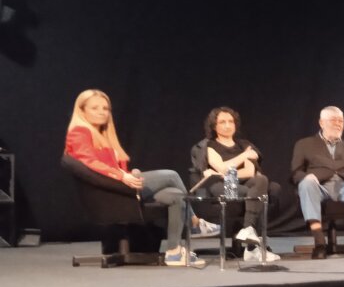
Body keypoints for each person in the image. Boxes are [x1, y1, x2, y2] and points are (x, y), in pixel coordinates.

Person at [65, 89, 220, 267]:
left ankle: (174, 251)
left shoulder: (102, 135)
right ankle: (194, 223)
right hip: (112, 194)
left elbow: (110, 166)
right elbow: (90, 162)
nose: (102, 112)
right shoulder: (79, 132)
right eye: (95, 108)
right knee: (171, 175)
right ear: (82, 110)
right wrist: (122, 175)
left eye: (105, 108)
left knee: (177, 195)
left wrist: (127, 173)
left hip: (120, 187)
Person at [291, 106, 344, 259]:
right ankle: (319, 244)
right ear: (321, 123)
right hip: (319, 186)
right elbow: (296, 172)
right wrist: (307, 177)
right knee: (306, 183)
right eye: (333, 120)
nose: (338, 124)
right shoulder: (304, 144)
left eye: (341, 121)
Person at [200, 106, 280, 262]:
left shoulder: (244, 144)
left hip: (244, 182)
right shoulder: (210, 146)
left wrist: (227, 170)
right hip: (222, 185)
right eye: (222, 122)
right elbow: (222, 168)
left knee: (262, 180)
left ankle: (248, 230)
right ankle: (253, 247)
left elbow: (249, 171)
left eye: (230, 121)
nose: (227, 125)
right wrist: (243, 157)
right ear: (214, 126)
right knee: (258, 193)